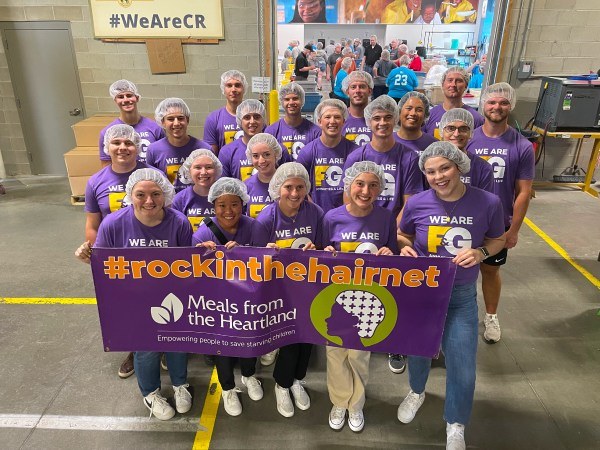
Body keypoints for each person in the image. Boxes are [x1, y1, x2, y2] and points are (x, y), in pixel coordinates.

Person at [397, 141, 506, 450]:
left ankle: (455, 421)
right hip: (421, 292)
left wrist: (482, 251)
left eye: (444, 168)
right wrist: (404, 245)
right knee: (418, 352)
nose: (438, 176)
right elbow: (402, 232)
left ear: (459, 166)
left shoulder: (488, 203)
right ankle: (417, 391)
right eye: (430, 171)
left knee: (462, 363)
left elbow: (498, 239)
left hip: (460, 295)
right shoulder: (417, 202)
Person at [76, 168, 194, 421]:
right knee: (146, 348)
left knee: (178, 343)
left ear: (166, 195)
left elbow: (189, 264)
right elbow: (104, 265)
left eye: (156, 194)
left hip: (172, 297)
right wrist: (88, 258)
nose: (149, 201)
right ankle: (150, 392)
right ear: (130, 194)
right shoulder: (113, 224)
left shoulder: (179, 222)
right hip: (135, 300)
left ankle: (180, 384)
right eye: (141, 194)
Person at [323, 161, 399, 432]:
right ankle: (340, 401)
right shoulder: (331, 217)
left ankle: (356, 402)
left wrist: (390, 254)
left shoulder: (386, 218)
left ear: (380, 189)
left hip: (368, 297)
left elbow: (393, 254)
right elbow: (321, 258)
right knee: (335, 352)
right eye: (360, 184)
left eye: (373, 185)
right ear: (349, 185)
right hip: (336, 296)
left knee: (359, 354)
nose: (365, 191)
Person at [192, 178, 269, 416]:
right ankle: (227, 387)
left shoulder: (255, 227)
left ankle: (248, 375)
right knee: (222, 347)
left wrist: (245, 255)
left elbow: (266, 265)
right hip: (218, 304)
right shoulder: (203, 233)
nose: (228, 211)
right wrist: (201, 255)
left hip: (249, 300)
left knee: (250, 339)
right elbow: (192, 274)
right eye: (222, 205)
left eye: (234, 204)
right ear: (213, 205)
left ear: (243, 204)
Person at [466, 83, 535, 343]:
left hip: (497, 222)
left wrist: (513, 229)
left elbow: (524, 191)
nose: (497, 107)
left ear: (511, 106)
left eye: (503, 103)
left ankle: (491, 316)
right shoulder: (467, 137)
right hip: (465, 219)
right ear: (483, 105)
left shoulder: (522, 146)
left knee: (490, 271)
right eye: (492, 102)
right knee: (457, 271)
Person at [82, 124, 151, 379]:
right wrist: (99, 259)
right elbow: (92, 224)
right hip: (119, 259)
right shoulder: (96, 182)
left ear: (137, 147)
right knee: (130, 308)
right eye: (117, 143)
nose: (123, 148)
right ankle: (136, 350)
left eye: (128, 143)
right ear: (107, 147)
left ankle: (165, 346)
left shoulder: (152, 175)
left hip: (153, 255)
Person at [255, 163, 324, 417]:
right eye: (288, 187)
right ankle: (282, 385)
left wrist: (317, 248)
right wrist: (269, 254)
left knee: (308, 338)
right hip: (279, 291)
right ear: (277, 188)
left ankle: (297, 379)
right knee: (290, 340)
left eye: (300, 187)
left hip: (308, 286)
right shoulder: (266, 218)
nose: (294, 193)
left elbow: (325, 248)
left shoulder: (315, 212)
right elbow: (254, 263)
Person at [344, 95, 423, 222]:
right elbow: (348, 199)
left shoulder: (410, 158)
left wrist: (392, 233)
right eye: (376, 118)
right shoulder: (356, 157)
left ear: (395, 119)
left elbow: (409, 203)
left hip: (395, 230)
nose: (382, 123)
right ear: (369, 122)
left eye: (388, 118)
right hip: (362, 229)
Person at [297, 99, 359, 212]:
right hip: (316, 216)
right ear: (319, 121)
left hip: (346, 216)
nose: (332, 121)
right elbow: (299, 186)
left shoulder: (355, 152)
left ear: (344, 121)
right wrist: (315, 213)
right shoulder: (307, 152)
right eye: (327, 117)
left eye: (337, 117)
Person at [146, 98, 210, 193]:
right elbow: (151, 183)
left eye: (180, 118)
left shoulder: (204, 149)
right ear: (162, 122)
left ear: (187, 120)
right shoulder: (154, 150)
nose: (176, 123)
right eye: (170, 119)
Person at [98, 80, 164, 165]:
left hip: (151, 177)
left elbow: (162, 158)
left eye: (129, 95)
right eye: (120, 97)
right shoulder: (108, 132)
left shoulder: (155, 128)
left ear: (137, 98)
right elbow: (106, 165)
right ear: (115, 100)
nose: (125, 100)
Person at [219, 99, 286, 181]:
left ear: (263, 119)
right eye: (247, 117)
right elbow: (225, 188)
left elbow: (287, 180)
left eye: (257, 117)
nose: (252, 121)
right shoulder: (227, 152)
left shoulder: (279, 150)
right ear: (240, 121)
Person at [439, 109, 493, 192]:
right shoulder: (430, 165)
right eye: (451, 128)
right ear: (441, 132)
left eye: (463, 129)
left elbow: (485, 202)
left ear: (471, 133)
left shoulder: (482, 168)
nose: (456, 134)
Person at [423, 67, 484, 139]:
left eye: (459, 81)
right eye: (450, 80)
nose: (453, 84)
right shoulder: (430, 116)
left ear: (466, 86)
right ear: (442, 85)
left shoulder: (476, 118)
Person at [265, 83, 321, 161]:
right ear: (281, 102)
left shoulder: (315, 132)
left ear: (302, 100)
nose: (291, 102)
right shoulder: (271, 131)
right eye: (287, 99)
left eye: (295, 98)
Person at [171, 149, 221, 232]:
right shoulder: (180, 200)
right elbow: (176, 231)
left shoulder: (226, 196)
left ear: (217, 170)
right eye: (197, 167)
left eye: (209, 167)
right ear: (188, 171)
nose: (203, 172)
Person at [203, 70, 247, 154]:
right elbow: (211, 154)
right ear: (223, 89)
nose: (233, 89)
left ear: (244, 88)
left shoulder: (254, 118)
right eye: (229, 85)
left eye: (237, 85)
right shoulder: (213, 119)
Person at [244, 133, 282, 219]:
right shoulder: (245, 187)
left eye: (267, 154)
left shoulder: (288, 183)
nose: (261, 160)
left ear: (276, 154)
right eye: (256, 156)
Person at [341, 70, 374, 145]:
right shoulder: (339, 119)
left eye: (362, 87)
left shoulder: (379, 119)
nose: (357, 90)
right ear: (347, 92)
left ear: (369, 91)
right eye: (353, 87)